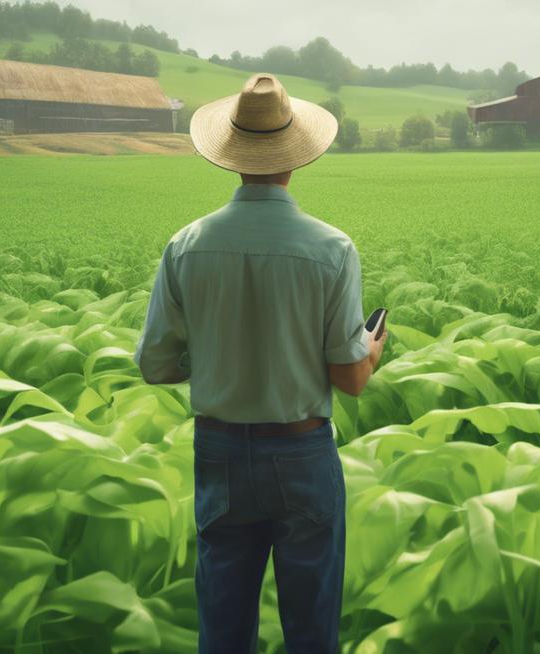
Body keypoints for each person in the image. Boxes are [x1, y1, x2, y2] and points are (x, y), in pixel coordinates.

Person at [133, 73, 387, 653]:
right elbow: (349, 380)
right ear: (295, 158)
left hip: (220, 451)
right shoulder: (331, 248)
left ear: (231, 156)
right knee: (311, 630)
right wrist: (370, 350)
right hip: (301, 450)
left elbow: (155, 365)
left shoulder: (186, 245)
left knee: (222, 628)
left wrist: (220, 355)